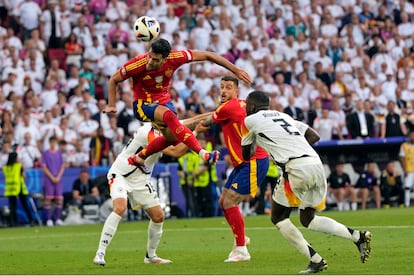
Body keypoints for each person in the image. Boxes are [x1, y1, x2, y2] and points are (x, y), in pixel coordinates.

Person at [241, 91, 372, 274]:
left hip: (295, 167)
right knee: (307, 219)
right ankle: (358, 236)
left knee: (278, 217)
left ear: (252, 106)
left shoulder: (249, 121)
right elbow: (314, 136)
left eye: (247, 105)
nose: (246, 108)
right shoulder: (283, 115)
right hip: (316, 164)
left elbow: (246, 154)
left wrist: (265, 146)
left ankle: (316, 260)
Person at [103, 38, 251, 173]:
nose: (150, 62)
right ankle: (203, 153)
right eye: (150, 56)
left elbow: (208, 55)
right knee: (168, 116)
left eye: (155, 60)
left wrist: (235, 70)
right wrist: (111, 104)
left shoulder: (176, 58)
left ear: (165, 59)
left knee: (172, 139)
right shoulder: (138, 63)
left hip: (164, 101)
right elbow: (114, 79)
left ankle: (139, 158)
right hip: (143, 104)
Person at [93, 113, 210, 266]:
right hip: (121, 173)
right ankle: (100, 253)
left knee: (158, 216)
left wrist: (218, 113)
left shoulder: (168, 124)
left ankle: (151, 256)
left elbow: (193, 120)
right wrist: (195, 132)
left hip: (141, 179)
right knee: (120, 208)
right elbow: (176, 152)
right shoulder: (146, 132)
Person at [202, 76, 270, 262]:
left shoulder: (228, 107)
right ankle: (242, 238)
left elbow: (205, 122)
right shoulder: (240, 104)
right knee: (224, 200)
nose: (223, 91)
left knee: (230, 201)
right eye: (222, 87)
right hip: (245, 162)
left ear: (236, 92)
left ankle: (241, 250)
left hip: (254, 161)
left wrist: (181, 129)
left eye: (228, 88)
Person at [2, 152, 34, 226]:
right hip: (19, 188)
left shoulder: (6, 168)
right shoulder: (18, 166)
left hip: (10, 189)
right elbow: (24, 175)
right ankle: (31, 220)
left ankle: (13, 222)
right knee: (25, 205)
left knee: (12, 207)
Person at [41, 136, 66, 227]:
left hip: (58, 178)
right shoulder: (46, 153)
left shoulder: (59, 153)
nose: (53, 144)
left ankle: (57, 218)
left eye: (55, 142)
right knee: (48, 198)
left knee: (59, 198)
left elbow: (62, 166)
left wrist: (58, 176)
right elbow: (44, 166)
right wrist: (52, 177)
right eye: (52, 142)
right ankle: (48, 219)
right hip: (49, 178)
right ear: (49, 142)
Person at [399, 130, 414, 207]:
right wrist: (404, 169)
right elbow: (402, 158)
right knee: (407, 187)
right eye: (411, 136)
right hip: (409, 170)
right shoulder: (404, 145)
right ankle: (407, 204)